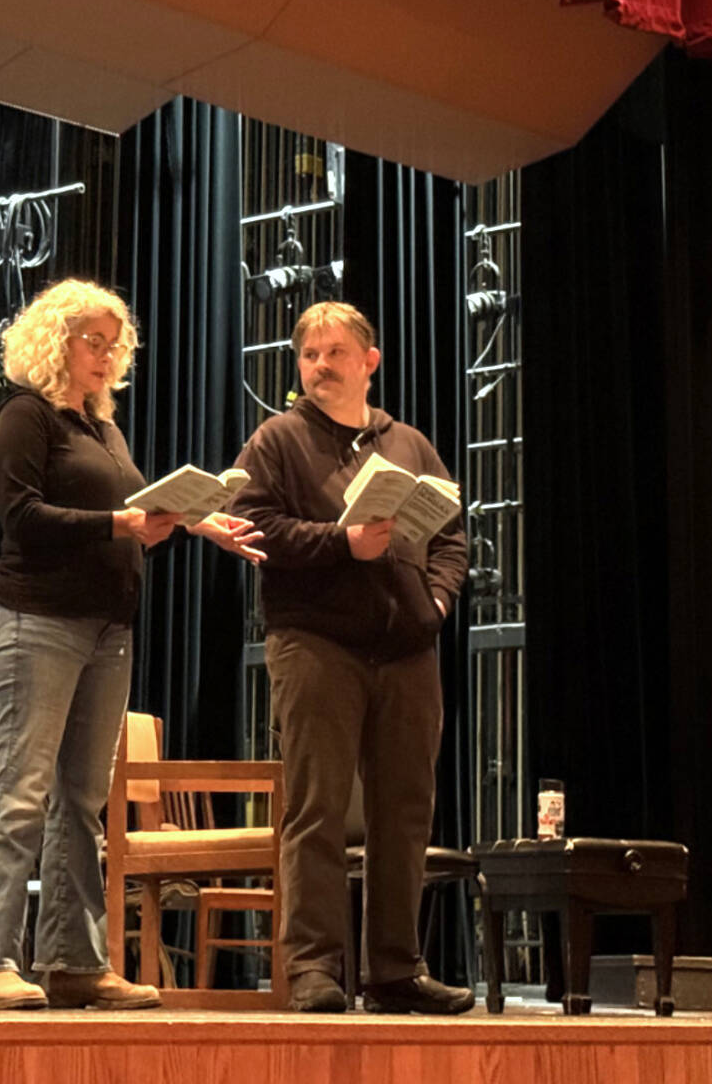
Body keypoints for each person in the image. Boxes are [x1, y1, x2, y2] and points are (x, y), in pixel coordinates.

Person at [0, 278, 265, 1010]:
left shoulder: (105, 431)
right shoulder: (25, 416)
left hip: (108, 626)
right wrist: (121, 525)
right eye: (92, 341)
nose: (105, 355)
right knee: (22, 787)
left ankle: (72, 961)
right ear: (55, 340)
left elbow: (131, 514)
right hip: (39, 620)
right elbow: (23, 518)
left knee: (83, 800)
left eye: (113, 344)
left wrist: (191, 523)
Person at [229, 300, 473, 1015]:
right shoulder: (278, 439)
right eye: (309, 355)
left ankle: (395, 970)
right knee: (318, 808)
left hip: (407, 649)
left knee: (405, 811)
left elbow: (452, 536)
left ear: (370, 361)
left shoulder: (409, 444)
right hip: (316, 642)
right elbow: (250, 526)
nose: (320, 366)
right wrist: (344, 543)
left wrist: (436, 603)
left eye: (335, 353)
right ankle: (313, 968)